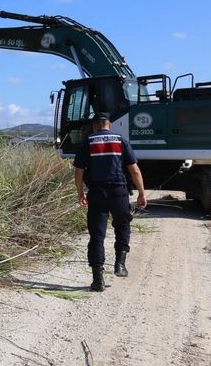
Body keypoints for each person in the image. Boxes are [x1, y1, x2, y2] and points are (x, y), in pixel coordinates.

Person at [73, 112, 147, 292]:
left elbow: (79, 171)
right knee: (122, 226)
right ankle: (120, 264)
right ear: (109, 125)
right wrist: (141, 194)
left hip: (97, 193)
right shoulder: (121, 140)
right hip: (119, 192)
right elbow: (134, 170)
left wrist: (80, 193)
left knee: (97, 235)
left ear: (94, 125)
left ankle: (98, 280)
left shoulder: (88, 141)